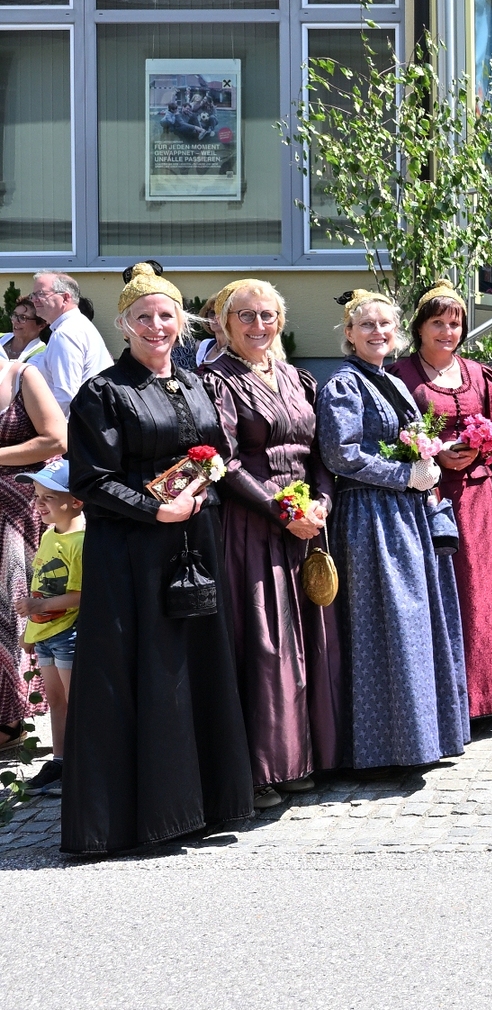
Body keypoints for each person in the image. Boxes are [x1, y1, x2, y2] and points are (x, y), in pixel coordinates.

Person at [62, 262, 253, 854]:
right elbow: (91, 480)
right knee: (144, 669)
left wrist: (198, 489)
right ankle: (140, 817)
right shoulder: (102, 392)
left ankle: (203, 804)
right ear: (123, 325)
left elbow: (215, 453)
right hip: (132, 551)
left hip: (195, 540)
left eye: (165, 315)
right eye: (142, 317)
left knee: (196, 664)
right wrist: (155, 511)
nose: (156, 326)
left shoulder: (193, 383)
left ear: (181, 322)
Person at [315, 289, 470, 772]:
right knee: (385, 625)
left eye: (385, 324)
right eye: (367, 325)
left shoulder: (391, 380)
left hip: (405, 514)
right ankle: (383, 748)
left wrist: (429, 465)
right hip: (369, 516)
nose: (377, 332)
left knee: (416, 622)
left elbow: (412, 441)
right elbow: (340, 454)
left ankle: (423, 737)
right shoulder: (343, 384)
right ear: (349, 333)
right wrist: (404, 474)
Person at [200, 279, 339, 810]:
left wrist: (321, 503)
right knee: (264, 642)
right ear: (225, 324)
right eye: (246, 316)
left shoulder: (298, 378)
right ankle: (262, 768)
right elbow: (224, 460)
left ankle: (307, 756)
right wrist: (282, 511)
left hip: (307, 524)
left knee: (309, 638)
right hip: (252, 524)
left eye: (267, 315)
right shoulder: (218, 381)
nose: (259, 325)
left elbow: (318, 452)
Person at [393, 281, 492, 721]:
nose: (447, 332)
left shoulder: (479, 374)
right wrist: (434, 452)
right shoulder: (400, 375)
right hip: (428, 497)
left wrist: (481, 448)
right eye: (438, 323)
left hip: (478, 497)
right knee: (443, 590)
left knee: (483, 591)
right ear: (419, 327)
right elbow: (392, 435)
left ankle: (490, 696)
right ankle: (448, 701)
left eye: (455, 324)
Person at [0, 351, 64, 757]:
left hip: (19, 510)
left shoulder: (22, 375)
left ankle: (10, 721)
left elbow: (56, 439)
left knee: (10, 611)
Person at [14, 458, 82, 796]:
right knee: (56, 700)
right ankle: (60, 761)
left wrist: (39, 607)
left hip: (68, 635)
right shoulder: (48, 535)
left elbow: (82, 595)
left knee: (76, 699)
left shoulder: (81, 540)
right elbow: (41, 586)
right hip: (46, 636)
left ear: (76, 501)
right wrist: (30, 632)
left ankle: (84, 766)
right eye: (37, 496)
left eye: (49, 498)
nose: (38, 504)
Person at [28, 271, 110, 416]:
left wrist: (43, 425)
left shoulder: (66, 333)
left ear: (65, 298)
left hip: (73, 425)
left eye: (41, 294)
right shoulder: (75, 326)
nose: (34, 300)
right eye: (33, 295)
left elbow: (66, 396)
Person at [1, 296, 46, 363]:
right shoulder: (1, 337)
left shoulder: (42, 354)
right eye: (15, 315)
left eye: (23, 317)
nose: (15, 321)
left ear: (41, 326)